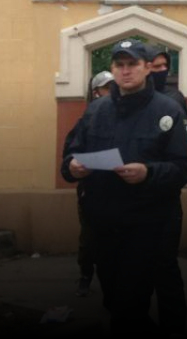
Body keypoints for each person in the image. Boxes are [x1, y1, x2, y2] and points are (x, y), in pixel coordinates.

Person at [61, 40, 187, 334]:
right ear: (112, 69)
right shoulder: (96, 111)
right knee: (115, 301)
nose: (126, 71)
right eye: (119, 65)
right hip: (104, 225)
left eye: (133, 64)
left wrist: (148, 173)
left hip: (147, 225)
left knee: (130, 303)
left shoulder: (167, 110)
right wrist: (72, 166)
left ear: (147, 68)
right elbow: (71, 152)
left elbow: (185, 168)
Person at [65, 71, 114, 297]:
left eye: (114, 87)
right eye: (107, 88)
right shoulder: (85, 121)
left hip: (119, 191)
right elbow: (70, 155)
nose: (112, 92)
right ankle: (85, 275)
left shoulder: (125, 119)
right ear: (96, 93)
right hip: (92, 191)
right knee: (89, 239)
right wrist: (73, 165)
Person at [150, 51, 187, 203]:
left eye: (165, 65)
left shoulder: (174, 98)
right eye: (157, 66)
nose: (162, 70)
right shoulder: (132, 98)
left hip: (167, 179)